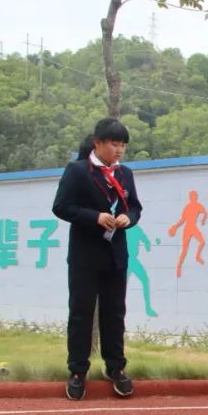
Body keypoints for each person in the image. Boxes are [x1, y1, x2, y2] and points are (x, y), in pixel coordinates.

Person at [52, 118, 143, 400]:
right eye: (114, 144)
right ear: (98, 143)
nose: (119, 150)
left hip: (116, 254)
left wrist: (129, 218)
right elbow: (61, 207)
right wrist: (95, 217)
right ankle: (78, 370)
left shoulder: (125, 174)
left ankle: (115, 367)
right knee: (81, 313)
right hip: (85, 255)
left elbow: (136, 207)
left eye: (123, 145)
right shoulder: (78, 171)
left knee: (115, 313)